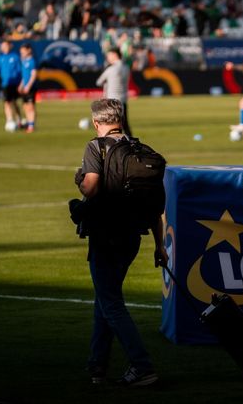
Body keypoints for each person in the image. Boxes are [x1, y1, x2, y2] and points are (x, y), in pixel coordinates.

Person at [75, 99, 167, 386]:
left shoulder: (96, 147)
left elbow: (90, 187)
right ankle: (97, 367)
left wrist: (79, 179)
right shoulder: (142, 151)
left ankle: (142, 366)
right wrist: (160, 246)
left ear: (96, 123)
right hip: (132, 237)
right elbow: (156, 208)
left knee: (111, 302)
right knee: (105, 298)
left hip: (105, 235)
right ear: (121, 120)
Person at [96, 48, 132, 136]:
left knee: (109, 126)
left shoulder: (111, 69)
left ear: (115, 55)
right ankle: (130, 143)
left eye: (109, 55)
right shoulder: (126, 68)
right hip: (123, 100)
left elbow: (99, 82)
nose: (107, 58)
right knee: (124, 125)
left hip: (111, 101)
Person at [0, 40, 22, 131]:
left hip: (14, 83)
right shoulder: (1, 58)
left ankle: (18, 118)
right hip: (5, 84)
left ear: (10, 46)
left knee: (14, 102)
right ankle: (9, 120)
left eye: (6, 46)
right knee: (6, 102)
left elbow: (20, 70)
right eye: (3, 46)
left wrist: (21, 82)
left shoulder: (15, 57)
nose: (4, 48)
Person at [18, 43, 38, 133]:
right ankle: (28, 123)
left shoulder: (32, 61)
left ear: (29, 50)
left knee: (30, 106)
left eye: (23, 51)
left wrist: (28, 86)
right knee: (25, 106)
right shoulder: (24, 61)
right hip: (25, 88)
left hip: (31, 87)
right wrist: (21, 85)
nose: (22, 53)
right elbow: (24, 76)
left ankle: (31, 126)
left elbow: (33, 75)